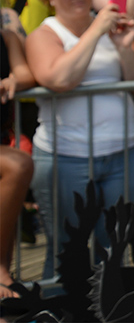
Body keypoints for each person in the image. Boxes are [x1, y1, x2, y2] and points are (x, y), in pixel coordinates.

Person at [24, 0, 134, 279]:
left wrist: (123, 47)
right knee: (67, 251)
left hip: (122, 154)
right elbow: (59, 78)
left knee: (114, 245)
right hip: (66, 157)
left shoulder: (108, 29)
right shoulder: (45, 34)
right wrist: (95, 30)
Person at [1, 29, 34, 298]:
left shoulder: (6, 37)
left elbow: (25, 75)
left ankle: (2, 277)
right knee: (17, 165)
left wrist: (11, 80)